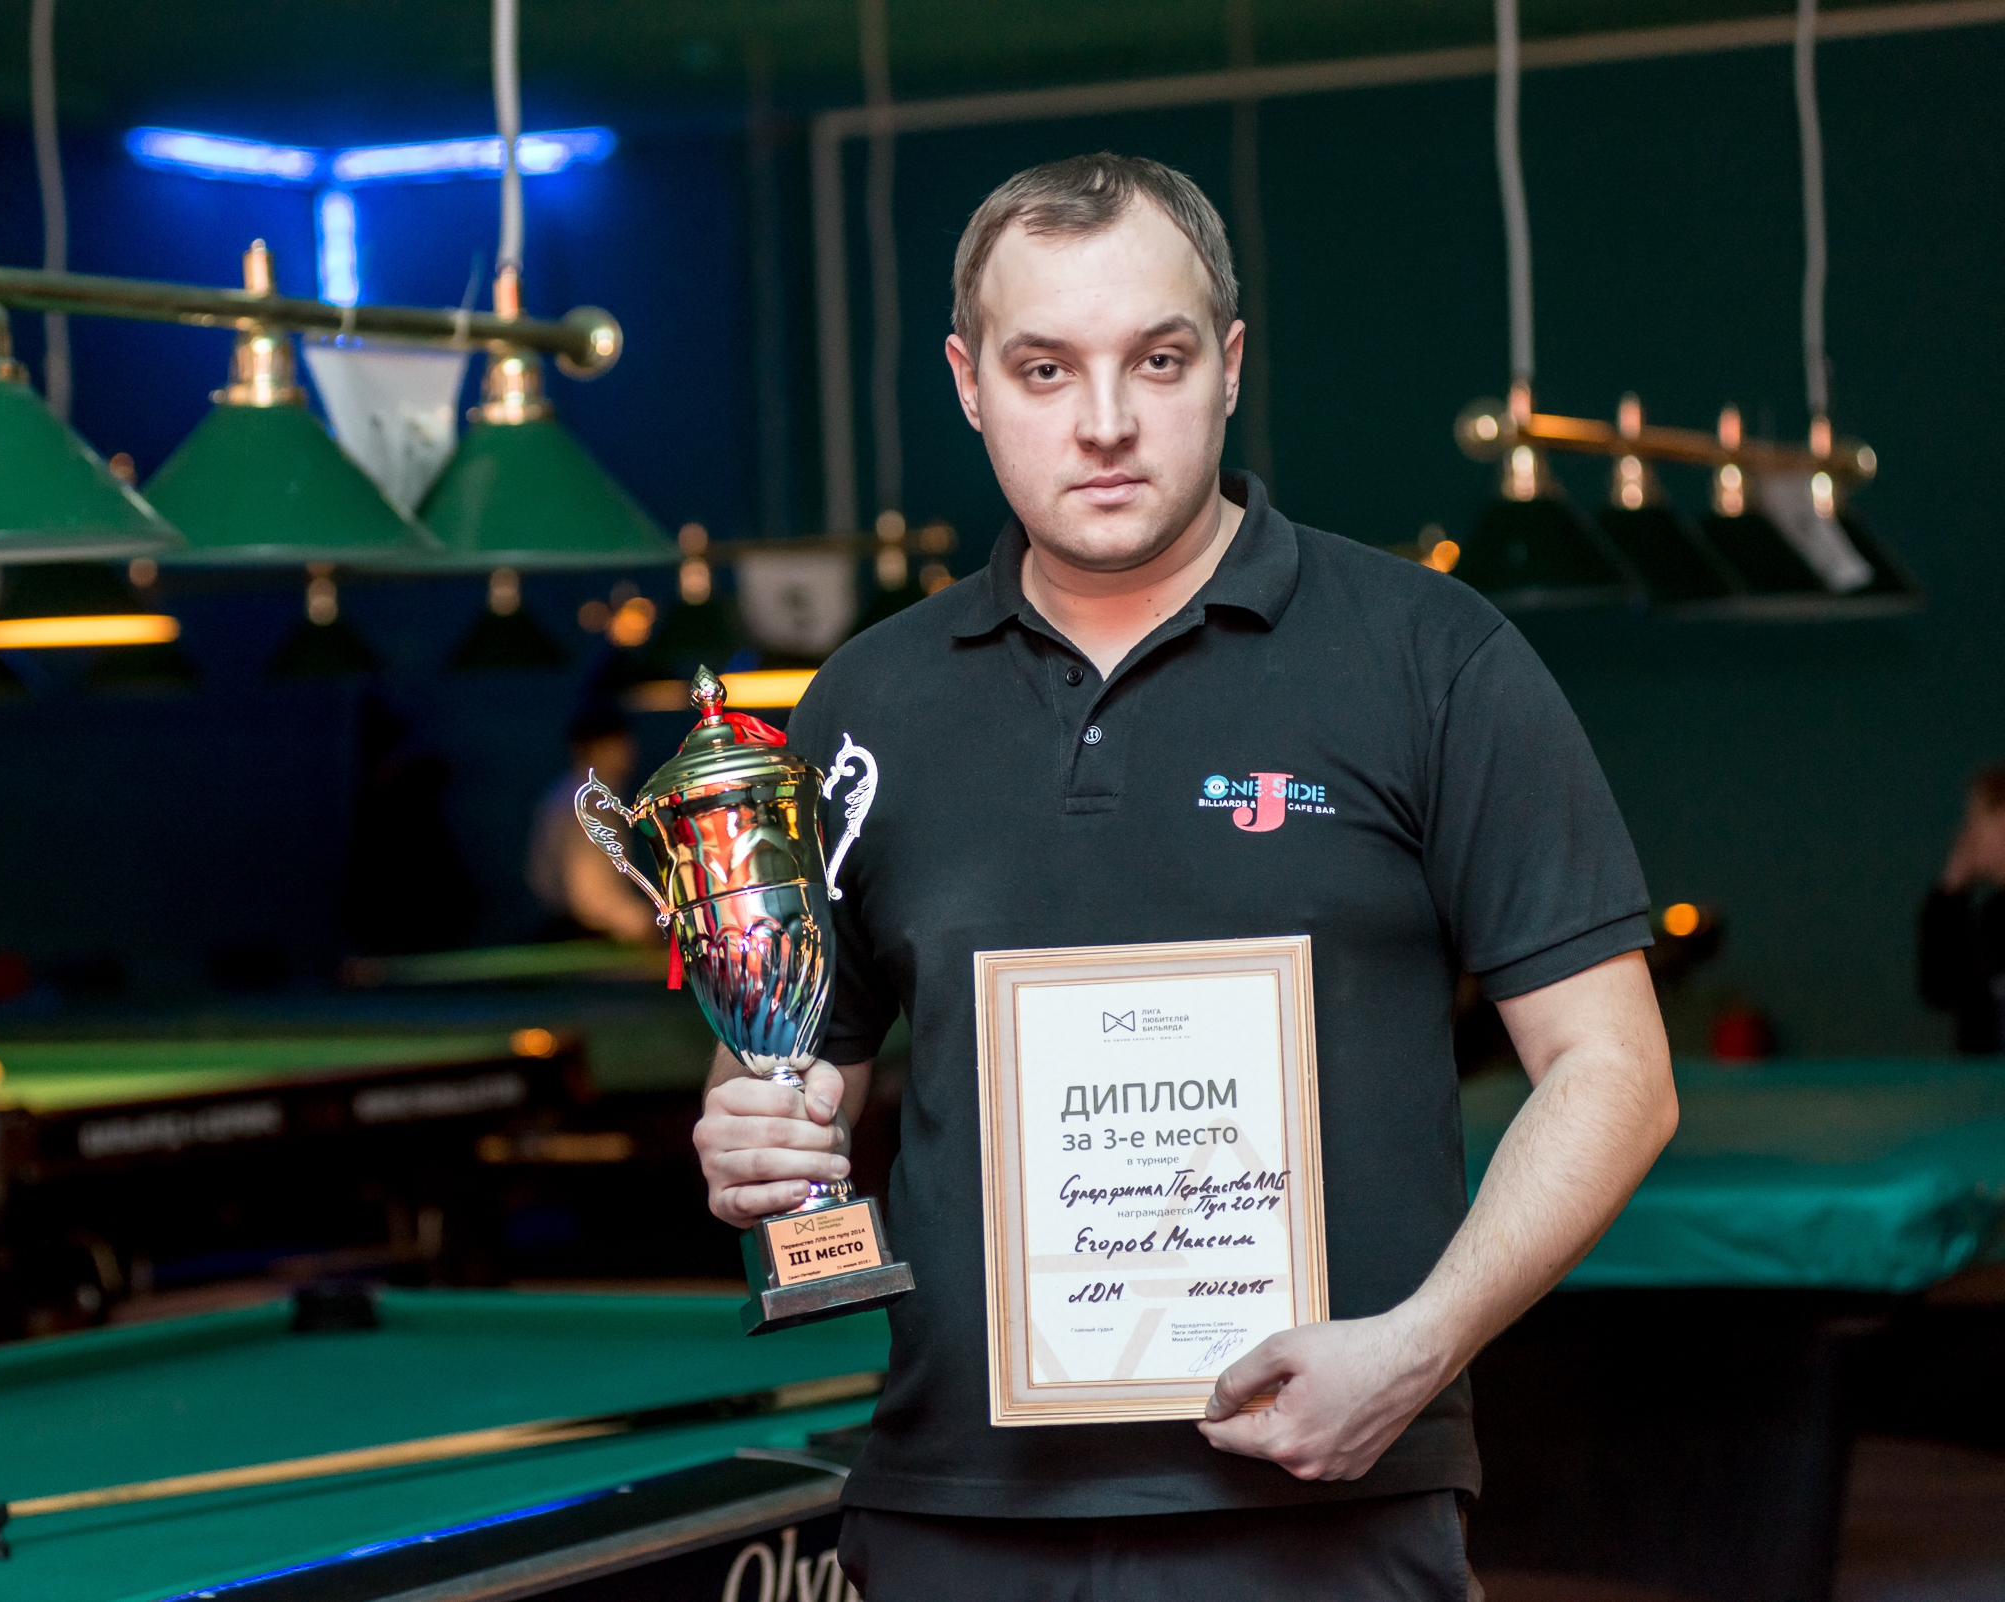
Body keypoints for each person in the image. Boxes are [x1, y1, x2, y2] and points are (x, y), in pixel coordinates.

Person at [691, 154, 1678, 1600]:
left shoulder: (1433, 656)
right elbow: (796, 1064)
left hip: (1325, 1504)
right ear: (969, 384)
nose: (1104, 421)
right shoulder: (865, 701)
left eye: (1155, 359)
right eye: (1043, 368)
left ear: (1228, 365)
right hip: (956, 1513)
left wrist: (1419, 1349)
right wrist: (752, 1133)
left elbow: (1616, 1072)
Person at [525, 703, 664, 944]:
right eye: (622, 743)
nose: (631, 751)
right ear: (598, 748)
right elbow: (590, 898)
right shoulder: (587, 804)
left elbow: (537, 876)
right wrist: (646, 923)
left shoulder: (566, 793)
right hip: (585, 938)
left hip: (574, 930)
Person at [1919, 765, 2005, 1054]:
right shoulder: (1992, 916)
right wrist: (1951, 891)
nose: (1968, 835)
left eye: (1977, 819)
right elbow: (1939, 988)